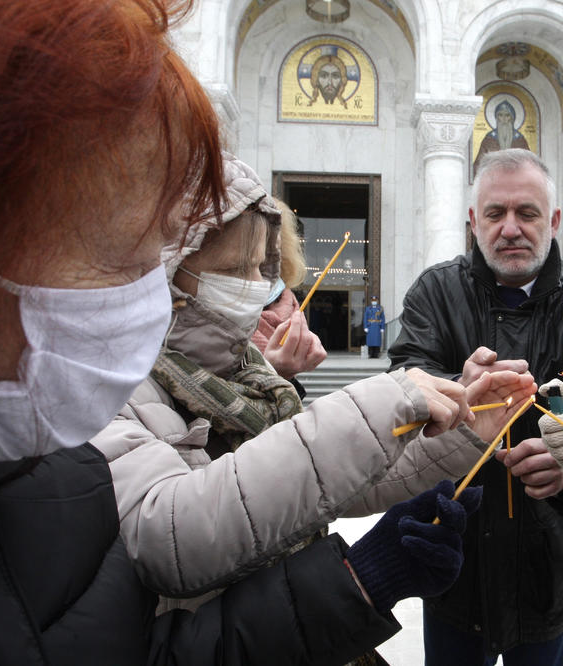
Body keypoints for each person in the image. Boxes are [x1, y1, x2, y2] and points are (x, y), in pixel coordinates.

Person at [0, 3, 493, 662]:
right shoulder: (84, 407)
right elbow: (180, 533)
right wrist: (379, 411)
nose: (144, 283)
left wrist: (462, 435)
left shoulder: (38, 457)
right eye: (124, 246)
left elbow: (315, 485)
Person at [93, 153, 538, 619]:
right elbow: (169, 537)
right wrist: (377, 403)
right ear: (166, 271)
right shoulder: (110, 383)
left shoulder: (246, 375)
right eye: (235, 269)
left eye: (261, 270)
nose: (256, 287)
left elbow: (329, 485)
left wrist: (462, 432)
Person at [389, 148, 563, 664]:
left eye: (526, 213)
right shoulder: (433, 295)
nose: (510, 229)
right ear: (472, 222)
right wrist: (452, 393)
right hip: (455, 558)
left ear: (552, 221)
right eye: (494, 214)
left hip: (549, 565)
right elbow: (402, 388)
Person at [251, 197, 326, 396]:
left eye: (262, 265)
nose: (256, 279)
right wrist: (271, 375)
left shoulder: (287, 303)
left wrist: (280, 376)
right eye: (236, 267)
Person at [472, 100, 531, 176]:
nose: (504, 119)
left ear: (512, 118)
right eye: (500, 115)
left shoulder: (520, 139)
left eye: (507, 115)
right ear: (496, 118)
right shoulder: (489, 138)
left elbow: (529, 163)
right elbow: (479, 163)